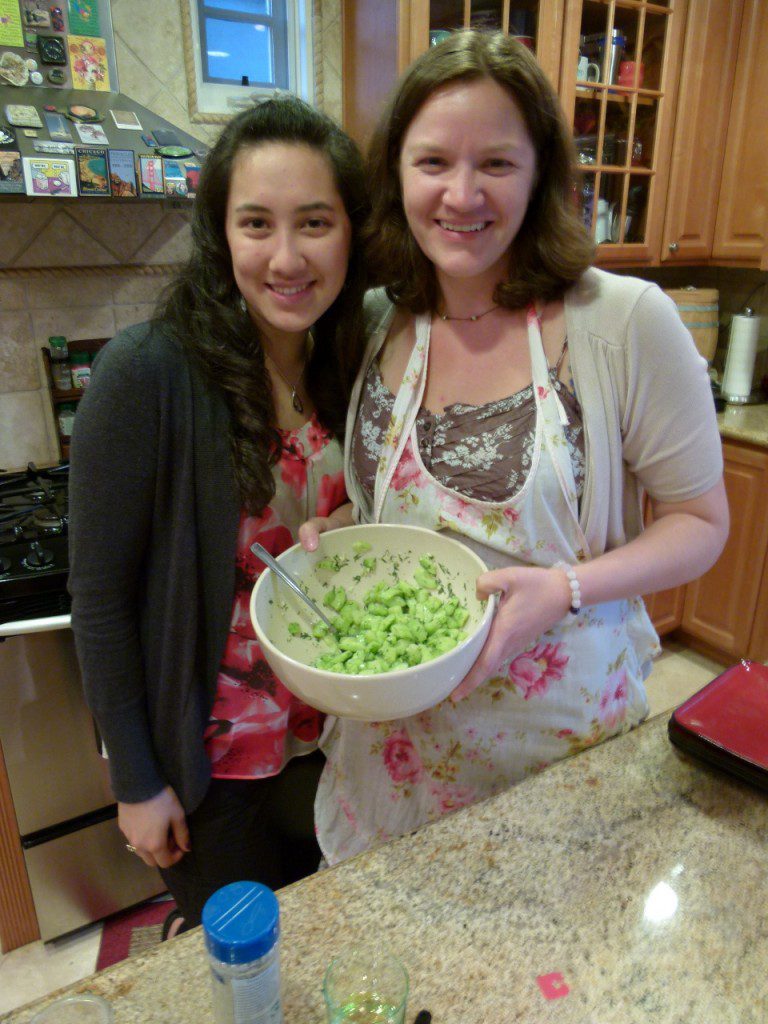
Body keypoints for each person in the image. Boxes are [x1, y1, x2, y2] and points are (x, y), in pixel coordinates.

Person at [301, 31, 729, 866]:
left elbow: (701, 523)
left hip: (555, 754)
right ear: (396, 175)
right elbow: (400, 500)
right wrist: (343, 534)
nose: (461, 196)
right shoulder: (383, 316)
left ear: (539, 178)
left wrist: (566, 587)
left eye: (496, 163)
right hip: (391, 762)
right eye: (432, 163)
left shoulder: (623, 321)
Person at [68, 96, 369, 931]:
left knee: (336, 941)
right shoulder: (147, 376)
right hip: (216, 772)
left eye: (314, 222)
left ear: (350, 232)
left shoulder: (359, 362)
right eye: (255, 224)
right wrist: (134, 779)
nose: (285, 257)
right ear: (220, 234)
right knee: (252, 965)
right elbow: (98, 599)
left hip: (341, 750)